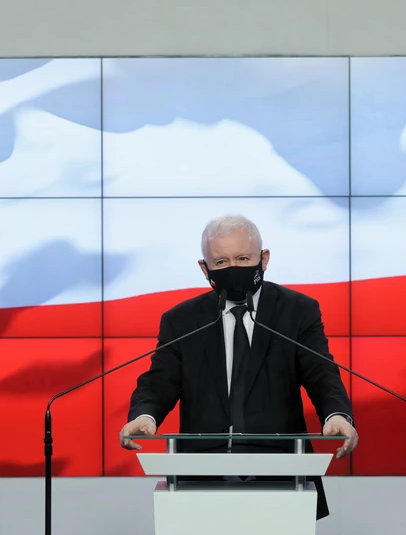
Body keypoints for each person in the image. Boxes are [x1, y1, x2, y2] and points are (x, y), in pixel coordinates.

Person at [119, 214, 358, 520]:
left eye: (243, 258)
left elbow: (321, 373)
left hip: (282, 474)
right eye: (221, 262)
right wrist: (145, 415)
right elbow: (159, 381)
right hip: (200, 477)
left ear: (263, 259)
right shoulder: (182, 320)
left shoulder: (298, 311)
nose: (232, 268)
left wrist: (336, 414)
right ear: (204, 268)